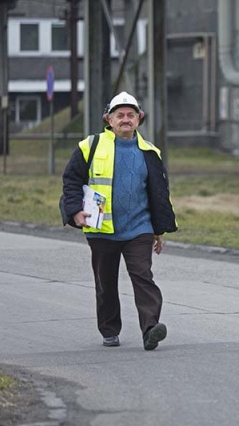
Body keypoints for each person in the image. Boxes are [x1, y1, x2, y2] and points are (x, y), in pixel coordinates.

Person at [61, 91, 178, 350]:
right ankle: (110, 329)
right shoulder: (89, 146)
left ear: (139, 119)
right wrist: (74, 211)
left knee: (143, 276)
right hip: (101, 228)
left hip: (139, 228)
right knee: (106, 283)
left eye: (131, 115)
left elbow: (158, 195)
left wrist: (159, 231)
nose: (125, 119)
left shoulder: (150, 152)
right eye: (120, 115)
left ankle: (150, 329)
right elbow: (71, 181)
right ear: (108, 119)